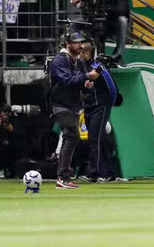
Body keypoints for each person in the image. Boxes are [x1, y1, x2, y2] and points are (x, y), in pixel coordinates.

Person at [49, 31, 100, 189]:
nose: (80, 45)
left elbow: (77, 82)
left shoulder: (77, 61)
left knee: (72, 137)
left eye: (81, 42)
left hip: (73, 105)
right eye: (76, 42)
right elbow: (66, 80)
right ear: (67, 43)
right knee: (71, 135)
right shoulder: (59, 60)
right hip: (60, 104)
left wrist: (87, 85)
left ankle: (63, 176)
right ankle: (62, 177)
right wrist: (87, 77)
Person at [80, 41, 119, 182]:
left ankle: (93, 173)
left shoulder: (98, 67)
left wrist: (111, 103)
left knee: (94, 139)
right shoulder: (81, 66)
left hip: (101, 106)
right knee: (98, 140)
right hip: (88, 107)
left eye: (80, 51)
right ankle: (110, 172)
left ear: (87, 53)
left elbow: (112, 86)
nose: (78, 54)